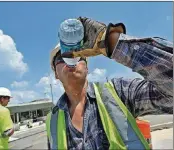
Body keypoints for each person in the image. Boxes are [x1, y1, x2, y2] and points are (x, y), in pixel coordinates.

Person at [46, 17, 173, 149]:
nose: (71, 58)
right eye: (62, 57)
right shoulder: (52, 121)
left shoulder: (119, 92)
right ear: (55, 73)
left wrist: (112, 42)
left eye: (79, 54)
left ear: (87, 67)